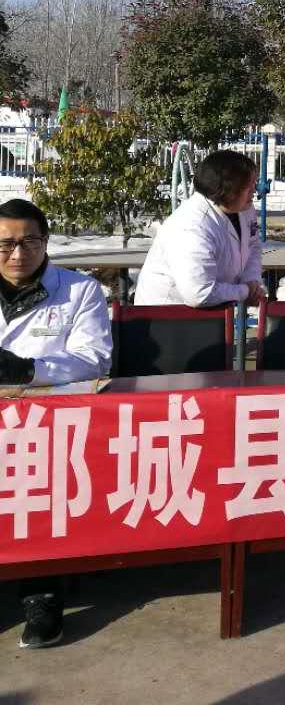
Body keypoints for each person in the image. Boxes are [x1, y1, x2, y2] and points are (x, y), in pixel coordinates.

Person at [0, 199, 112, 648]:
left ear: (46, 242)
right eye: (5, 244)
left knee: (39, 481)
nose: (18, 253)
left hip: (44, 425)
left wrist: (29, 369)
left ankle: (41, 592)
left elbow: (94, 359)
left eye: (30, 241)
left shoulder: (80, 290)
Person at [135, 150, 263, 308]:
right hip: (166, 313)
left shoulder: (244, 209)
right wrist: (245, 292)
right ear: (229, 190)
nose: (255, 190)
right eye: (248, 186)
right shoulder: (192, 226)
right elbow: (199, 293)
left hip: (212, 311)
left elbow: (253, 245)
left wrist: (251, 281)